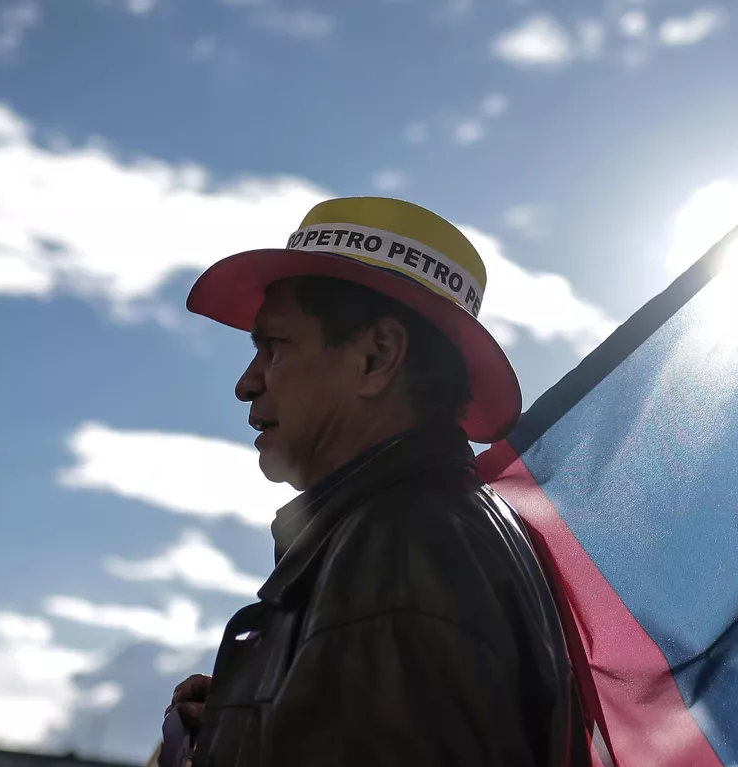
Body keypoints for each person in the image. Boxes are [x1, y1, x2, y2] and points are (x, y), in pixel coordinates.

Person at [164, 197, 586, 766]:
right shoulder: (427, 535)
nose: (247, 383)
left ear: (376, 356)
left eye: (274, 346)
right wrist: (247, 720)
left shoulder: (402, 554)